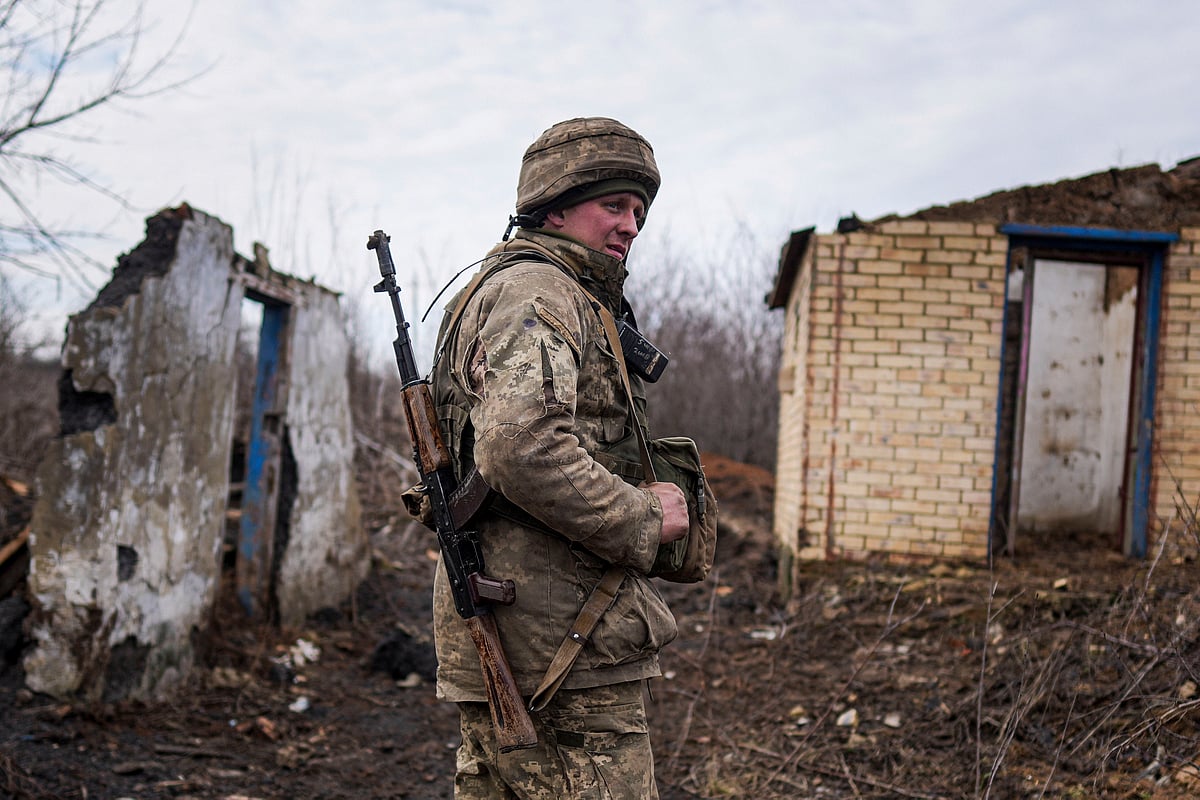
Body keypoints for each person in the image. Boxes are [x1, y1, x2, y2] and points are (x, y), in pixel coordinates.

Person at [428, 117, 691, 798]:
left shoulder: (526, 290)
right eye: (614, 205)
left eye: (638, 209)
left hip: (530, 631)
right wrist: (640, 517)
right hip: (561, 647)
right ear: (555, 207)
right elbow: (522, 447)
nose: (631, 224)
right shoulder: (539, 292)